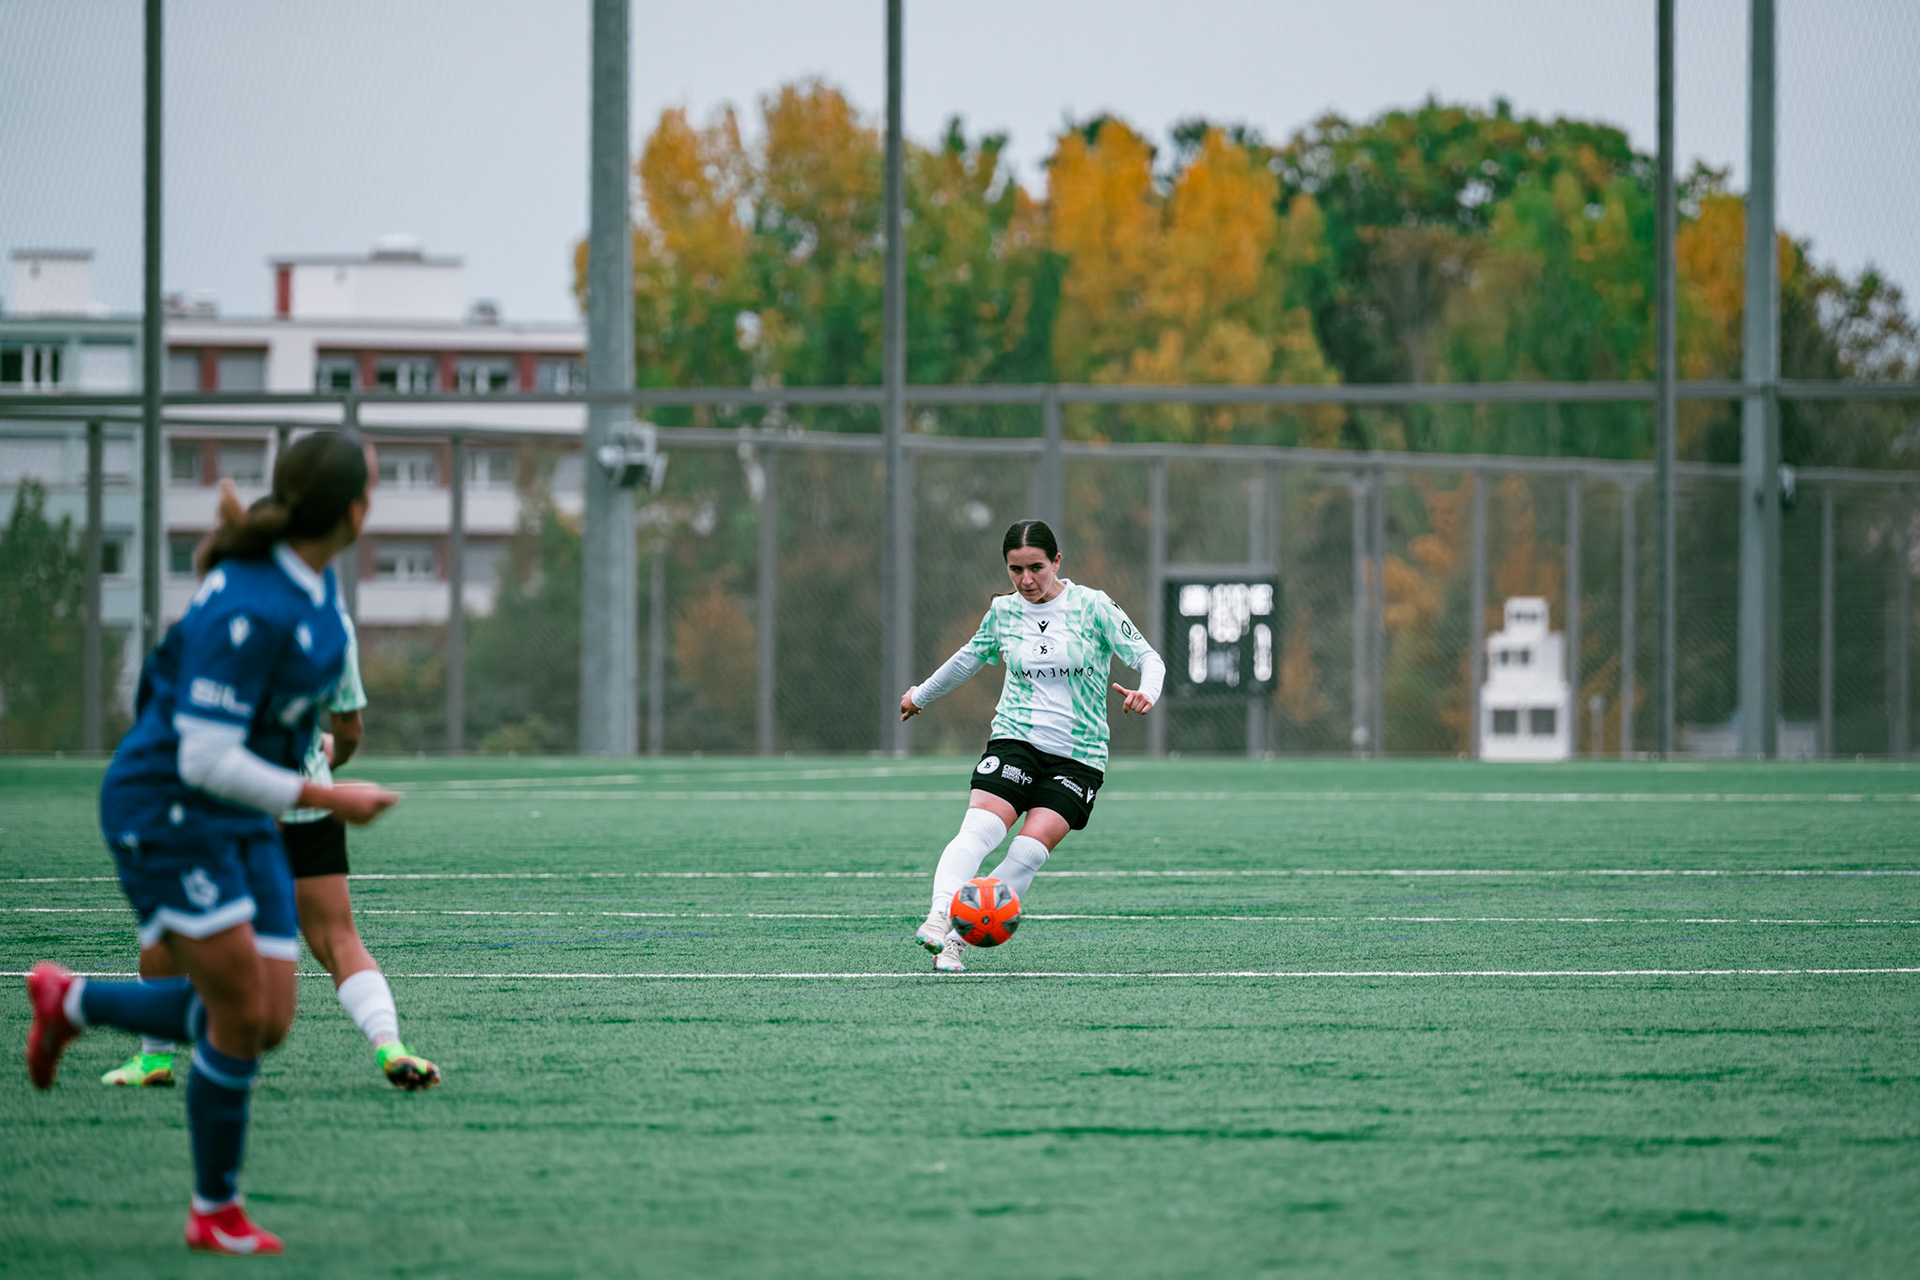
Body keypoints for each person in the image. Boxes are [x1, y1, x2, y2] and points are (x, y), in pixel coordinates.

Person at [24, 430, 401, 1257]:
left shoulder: (311, 588)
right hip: (165, 806)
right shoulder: (251, 608)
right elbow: (200, 756)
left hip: (237, 811)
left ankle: (72, 1001)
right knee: (237, 1006)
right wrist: (322, 794)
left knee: (266, 1018)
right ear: (354, 510)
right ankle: (214, 1210)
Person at [102, 595, 439, 1092]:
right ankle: (390, 1044)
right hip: (310, 797)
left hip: (232, 800)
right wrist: (328, 760)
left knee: (169, 930)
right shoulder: (332, 621)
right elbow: (347, 728)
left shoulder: (220, 610)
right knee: (337, 938)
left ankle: (153, 1058)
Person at [900, 518, 1164, 973]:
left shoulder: (1092, 607)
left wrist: (1147, 692)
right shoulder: (1004, 612)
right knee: (980, 830)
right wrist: (919, 695)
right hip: (1015, 738)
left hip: (1079, 756)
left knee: (1029, 851)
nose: (1026, 581)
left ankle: (962, 936)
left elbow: (1147, 657)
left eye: (1036, 568)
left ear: (1057, 561)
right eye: (1015, 570)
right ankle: (941, 915)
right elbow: (969, 658)